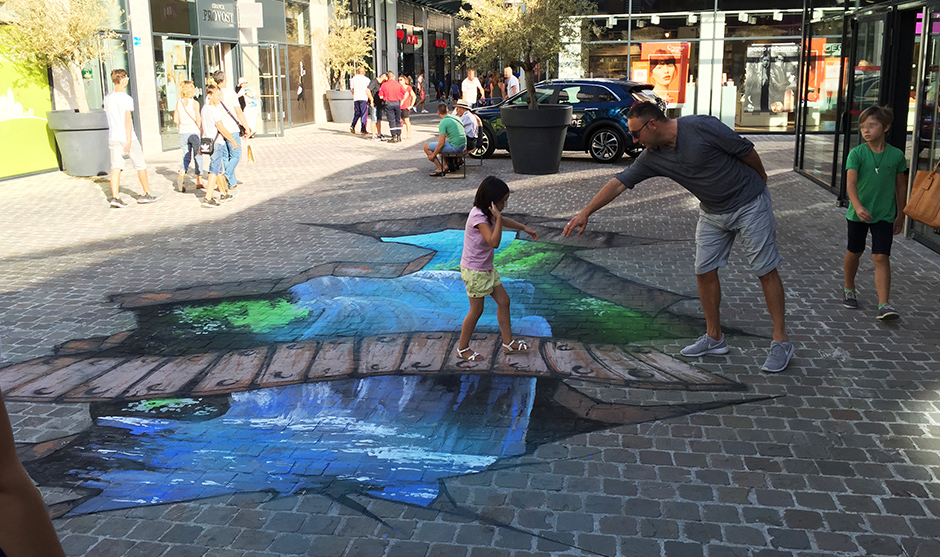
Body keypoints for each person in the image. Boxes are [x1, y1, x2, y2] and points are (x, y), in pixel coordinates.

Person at [563, 101, 795, 373]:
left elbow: (746, 150)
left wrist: (762, 176)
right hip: (712, 212)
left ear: (653, 124)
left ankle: (781, 342)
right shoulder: (653, 156)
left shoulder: (700, 126)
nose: (633, 139)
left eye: (636, 133)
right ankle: (714, 337)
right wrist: (585, 212)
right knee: (704, 271)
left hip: (750, 204)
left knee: (765, 269)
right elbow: (619, 182)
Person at [456, 176, 539, 362]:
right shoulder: (478, 216)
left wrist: (524, 227)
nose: (505, 205)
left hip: (486, 269)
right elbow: (493, 242)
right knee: (476, 311)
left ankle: (508, 343)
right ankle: (462, 348)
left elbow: (505, 220)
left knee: (504, 301)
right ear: (492, 202)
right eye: (503, 202)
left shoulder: (488, 213)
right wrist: (499, 219)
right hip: (474, 271)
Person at [842, 106, 907, 320]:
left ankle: (884, 304)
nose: (866, 130)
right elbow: (850, 184)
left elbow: (900, 187)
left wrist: (901, 214)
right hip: (858, 214)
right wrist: (858, 206)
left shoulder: (897, 156)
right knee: (855, 251)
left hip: (884, 215)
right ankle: (849, 287)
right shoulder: (857, 154)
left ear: (886, 127)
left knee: (881, 256)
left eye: (872, 126)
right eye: (862, 127)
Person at [104, 69, 157, 208]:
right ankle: (146, 192)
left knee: (116, 167)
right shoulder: (126, 99)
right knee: (140, 165)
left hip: (113, 137)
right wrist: (128, 140)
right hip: (128, 137)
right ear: (122, 80)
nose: (127, 80)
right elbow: (128, 120)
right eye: (125, 78)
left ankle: (115, 196)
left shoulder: (108, 99)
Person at [212, 70, 252, 190]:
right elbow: (238, 112)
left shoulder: (212, 94)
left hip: (219, 129)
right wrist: (246, 126)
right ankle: (226, 176)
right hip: (232, 128)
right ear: (224, 79)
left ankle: (232, 182)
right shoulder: (230, 93)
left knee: (225, 156)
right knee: (235, 155)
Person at [200, 85, 238, 208]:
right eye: (217, 95)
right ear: (210, 95)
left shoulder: (205, 108)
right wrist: (232, 139)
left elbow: (202, 127)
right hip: (216, 143)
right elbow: (221, 128)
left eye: (220, 95)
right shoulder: (214, 110)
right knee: (214, 170)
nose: (219, 98)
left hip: (208, 141)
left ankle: (223, 193)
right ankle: (208, 197)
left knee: (219, 169)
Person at [173, 80, 203, 193]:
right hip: (194, 132)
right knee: (198, 155)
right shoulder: (195, 103)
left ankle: (181, 174)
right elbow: (198, 119)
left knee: (186, 156)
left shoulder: (179, 102)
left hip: (183, 132)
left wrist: (182, 124)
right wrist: (201, 130)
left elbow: (176, 119)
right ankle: (199, 181)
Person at [423, 103, 466, 176]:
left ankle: (440, 168)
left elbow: (441, 144)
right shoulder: (456, 118)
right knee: (440, 146)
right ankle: (445, 165)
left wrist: (432, 155)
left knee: (426, 146)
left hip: (456, 147)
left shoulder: (443, 122)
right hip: (463, 145)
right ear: (447, 111)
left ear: (438, 113)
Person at [379, 71, 405, 143]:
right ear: (394, 77)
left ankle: (394, 136)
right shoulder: (398, 85)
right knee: (398, 119)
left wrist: (385, 98)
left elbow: (381, 96)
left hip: (389, 103)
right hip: (397, 103)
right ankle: (399, 135)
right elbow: (404, 92)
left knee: (391, 120)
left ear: (387, 77)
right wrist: (402, 100)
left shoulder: (384, 85)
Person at [349, 66, 372, 136]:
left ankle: (353, 125)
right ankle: (363, 129)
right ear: (364, 72)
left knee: (357, 112)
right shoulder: (367, 80)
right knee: (364, 113)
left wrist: (355, 93)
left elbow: (351, 89)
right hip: (364, 98)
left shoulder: (353, 79)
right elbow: (369, 89)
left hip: (356, 97)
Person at [368, 72, 388, 140]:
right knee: (374, 119)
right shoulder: (374, 82)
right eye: (385, 79)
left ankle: (379, 133)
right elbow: (368, 90)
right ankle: (373, 135)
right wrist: (371, 100)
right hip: (374, 103)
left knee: (379, 119)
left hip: (379, 103)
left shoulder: (382, 84)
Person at [399, 75, 417, 140]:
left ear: (405, 80)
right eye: (399, 80)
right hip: (398, 106)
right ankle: (399, 135)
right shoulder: (398, 87)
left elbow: (414, 96)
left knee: (406, 121)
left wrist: (411, 105)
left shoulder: (408, 88)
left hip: (405, 107)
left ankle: (408, 135)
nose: (400, 81)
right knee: (399, 121)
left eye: (401, 80)